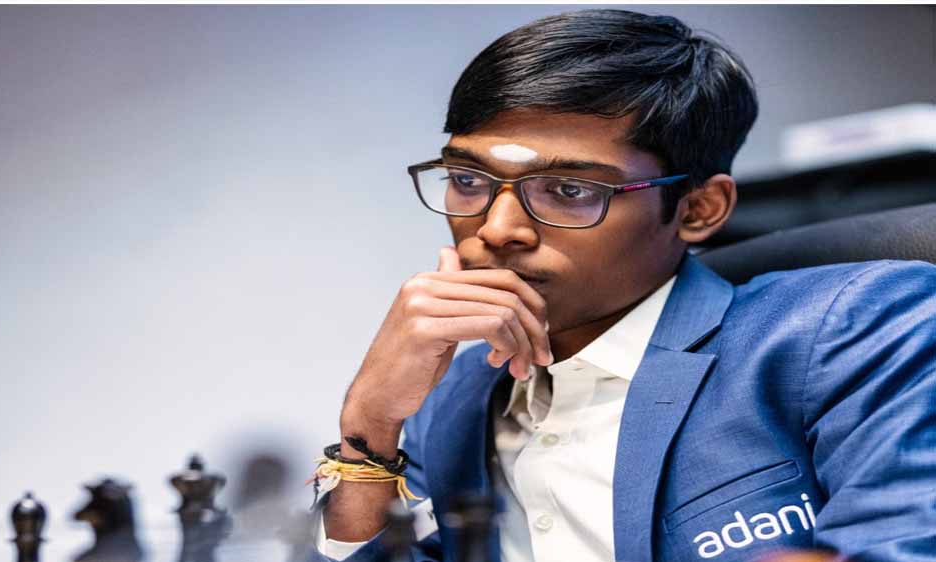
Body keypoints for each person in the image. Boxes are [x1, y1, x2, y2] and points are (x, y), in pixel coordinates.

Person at [300, 8, 936, 562]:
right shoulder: (456, 395)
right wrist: (370, 424)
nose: (496, 229)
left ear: (699, 210)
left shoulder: (856, 329)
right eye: (468, 181)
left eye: (570, 189)